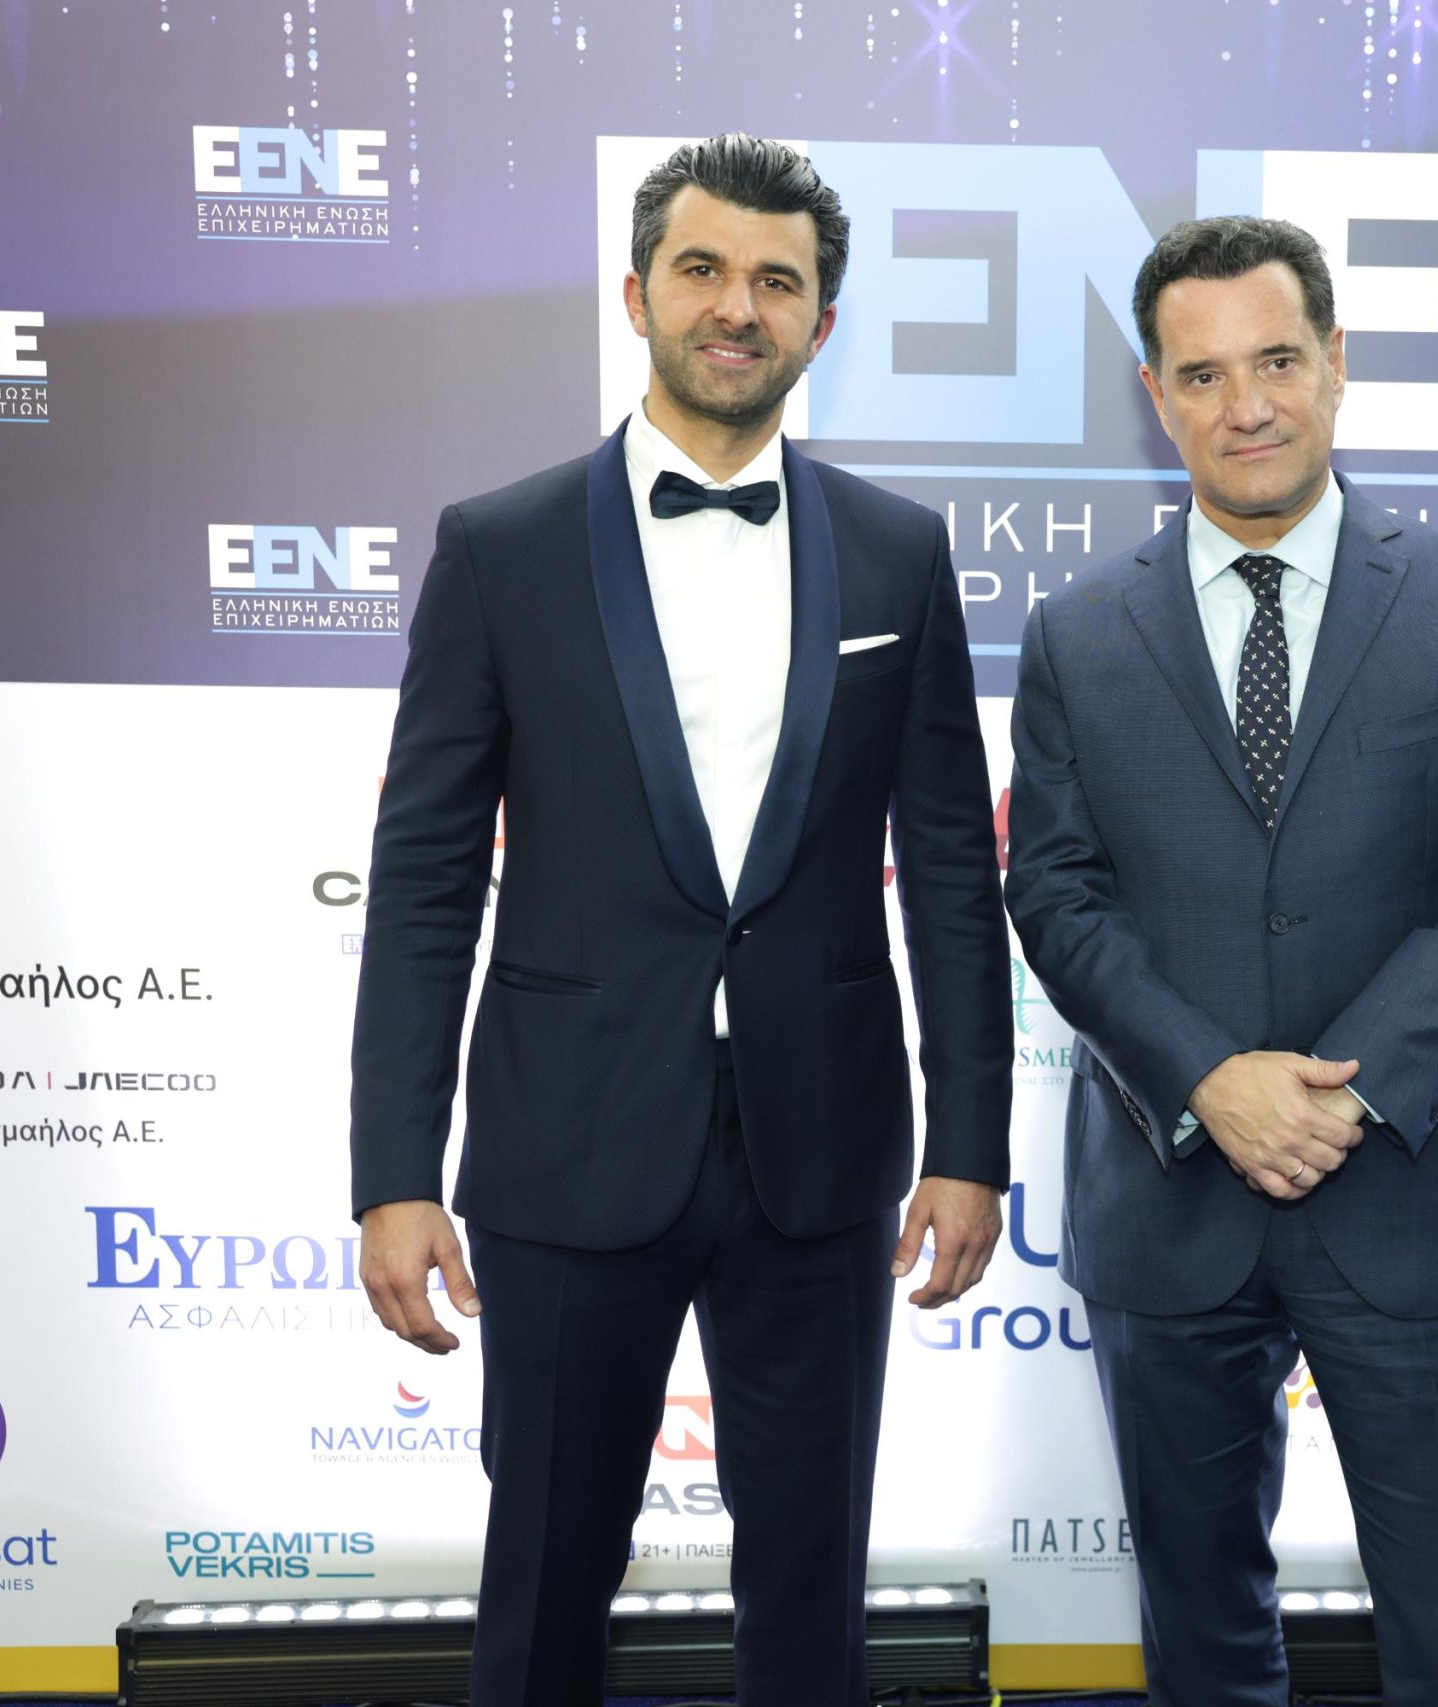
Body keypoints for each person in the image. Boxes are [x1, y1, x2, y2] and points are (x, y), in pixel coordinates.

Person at [346, 133, 1011, 1707]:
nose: (737, 306)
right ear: (638, 293)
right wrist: (392, 1174)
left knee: (812, 1587)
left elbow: (952, 870)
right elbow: (425, 880)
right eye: (703, 269)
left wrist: (971, 1143)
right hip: (566, 1145)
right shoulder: (498, 547)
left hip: (822, 1150)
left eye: (777, 281)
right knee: (545, 1577)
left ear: (820, 325)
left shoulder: (900, 552)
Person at [1004, 215, 1438, 1707]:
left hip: (1415, 1190)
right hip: (1172, 1195)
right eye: (1201, 376)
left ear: (1335, 363)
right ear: (1156, 396)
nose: (1244, 405)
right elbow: (1054, 892)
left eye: (1275, 361)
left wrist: (1340, 1093)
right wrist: (1210, 1079)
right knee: (1199, 1640)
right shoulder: (1076, 634)